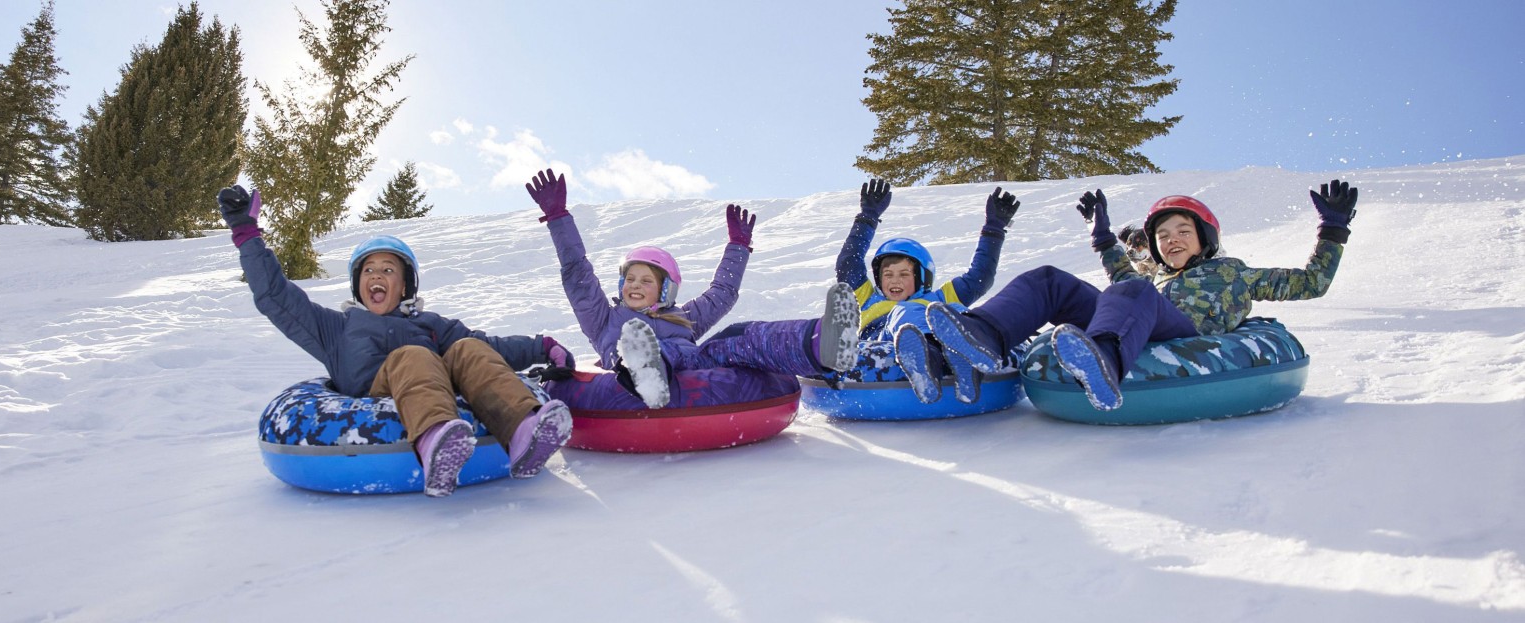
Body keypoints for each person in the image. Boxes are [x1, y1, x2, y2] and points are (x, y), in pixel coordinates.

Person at [217, 185, 573, 497]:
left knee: (467, 348)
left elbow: (487, 349)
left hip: (436, 384)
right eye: (368, 270)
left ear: (404, 286)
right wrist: (246, 233)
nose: (377, 276)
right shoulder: (335, 328)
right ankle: (437, 444)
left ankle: (525, 433)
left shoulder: (431, 324)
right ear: (358, 284)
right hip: (376, 393)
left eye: (388, 270)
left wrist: (541, 347)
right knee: (413, 356)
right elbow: (275, 298)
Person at [917, 180, 1359, 411]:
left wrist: (1333, 231)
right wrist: (1103, 235)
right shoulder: (1154, 277)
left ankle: (1104, 363)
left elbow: (1310, 282)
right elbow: (1123, 275)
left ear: (1204, 238)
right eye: (1163, 235)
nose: (1172, 240)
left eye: (1183, 231)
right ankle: (971, 343)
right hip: (1140, 315)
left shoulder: (1234, 273)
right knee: (1048, 279)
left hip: (1183, 332)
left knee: (1133, 289)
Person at [525, 169, 860, 409]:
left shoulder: (683, 317)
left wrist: (738, 246)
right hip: (629, 374)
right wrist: (558, 217)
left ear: (665, 290)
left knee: (738, 335)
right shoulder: (603, 320)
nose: (635, 286)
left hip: (694, 366)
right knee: (653, 347)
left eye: (646, 280)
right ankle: (645, 371)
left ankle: (821, 343)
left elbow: (722, 294)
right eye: (630, 279)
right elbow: (577, 275)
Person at [833, 179, 1022, 403]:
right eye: (888, 274)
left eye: (904, 275)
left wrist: (994, 229)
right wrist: (868, 217)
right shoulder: (867, 298)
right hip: (886, 342)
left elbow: (979, 277)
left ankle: (956, 355)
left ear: (922, 279)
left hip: (942, 337)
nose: (895, 281)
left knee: (956, 311)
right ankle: (925, 360)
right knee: (904, 313)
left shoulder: (939, 298)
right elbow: (848, 264)